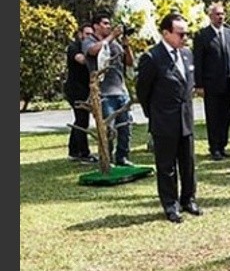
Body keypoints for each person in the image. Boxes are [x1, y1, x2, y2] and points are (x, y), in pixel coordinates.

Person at [136, 13, 200, 224]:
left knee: (188, 162)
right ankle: (170, 205)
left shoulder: (187, 54)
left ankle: (188, 199)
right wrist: (154, 115)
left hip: (185, 119)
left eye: (186, 33)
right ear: (166, 33)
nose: (185, 37)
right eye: (181, 33)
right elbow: (143, 92)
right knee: (167, 166)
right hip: (164, 120)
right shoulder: (152, 58)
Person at [82, 12, 135, 166]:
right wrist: (111, 36)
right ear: (96, 26)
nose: (109, 26)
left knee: (125, 127)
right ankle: (107, 159)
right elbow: (93, 51)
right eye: (105, 23)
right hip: (103, 93)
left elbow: (129, 62)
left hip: (121, 91)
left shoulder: (115, 44)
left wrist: (126, 44)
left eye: (109, 23)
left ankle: (123, 157)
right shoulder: (88, 40)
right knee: (108, 130)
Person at [193, 2, 230, 161]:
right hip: (211, 84)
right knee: (213, 116)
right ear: (210, 16)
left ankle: (223, 145)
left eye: (222, 14)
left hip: (229, 83)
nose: (220, 17)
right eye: (217, 14)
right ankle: (214, 147)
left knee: (226, 116)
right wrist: (199, 84)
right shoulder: (202, 35)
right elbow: (198, 61)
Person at [64, 22, 98, 164]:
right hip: (75, 89)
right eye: (87, 34)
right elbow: (82, 60)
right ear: (80, 34)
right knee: (82, 120)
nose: (89, 37)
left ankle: (73, 151)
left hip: (85, 88)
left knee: (80, 120)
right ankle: (84, 153)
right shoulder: (74, 47)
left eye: (91, 34)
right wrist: (91, 53)